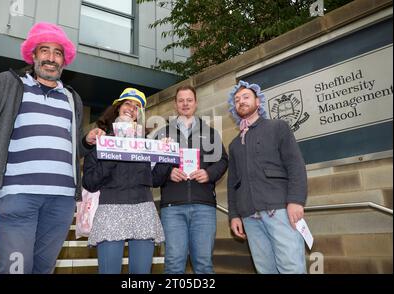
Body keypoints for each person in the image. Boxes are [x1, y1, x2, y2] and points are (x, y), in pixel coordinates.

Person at [0, 22, 101, 274]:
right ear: (33, 55)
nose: (51, 58)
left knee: (43, 269)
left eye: (58, 52)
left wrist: (85, 142)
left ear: (65, 59)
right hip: (18, 195)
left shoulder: (72, 97)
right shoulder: (9, 83)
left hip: (61, 200)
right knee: (15, 269)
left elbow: (72, 148)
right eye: (45, 50)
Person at [226, 80, 308, 274]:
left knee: (291, 267)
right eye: (237, 100)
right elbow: (232, 184)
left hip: (280, 211)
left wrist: (296, 200)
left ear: (258, 102)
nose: (241, 102)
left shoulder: (278, 127)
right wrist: (234, 215)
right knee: (265, 269)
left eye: (246, 97)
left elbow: (295, 165)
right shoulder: (234, 144)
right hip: (249, 216)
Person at [82, 88, 165, 274]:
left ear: (139, 116)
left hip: (143, 209)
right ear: (118, 108)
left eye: (137, 107)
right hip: (111, 209)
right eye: (128, 103)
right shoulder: (100, 140)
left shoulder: (147, 144)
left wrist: (165, 156)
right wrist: (114, 150)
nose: (131, 108)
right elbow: (90, 182)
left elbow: (156, 179)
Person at [152, 85, 228, 274]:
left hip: (204, 207)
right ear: (175, 105)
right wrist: (168, 173)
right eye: (181, 100)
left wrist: (209, 174)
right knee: (174, 263)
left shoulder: (210, 133)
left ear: (195, 103)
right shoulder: (161, 134)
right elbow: (151, 173)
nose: (185, 104)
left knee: (203, 264)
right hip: (172, 208)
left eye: (189, 100)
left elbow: (223, 161)